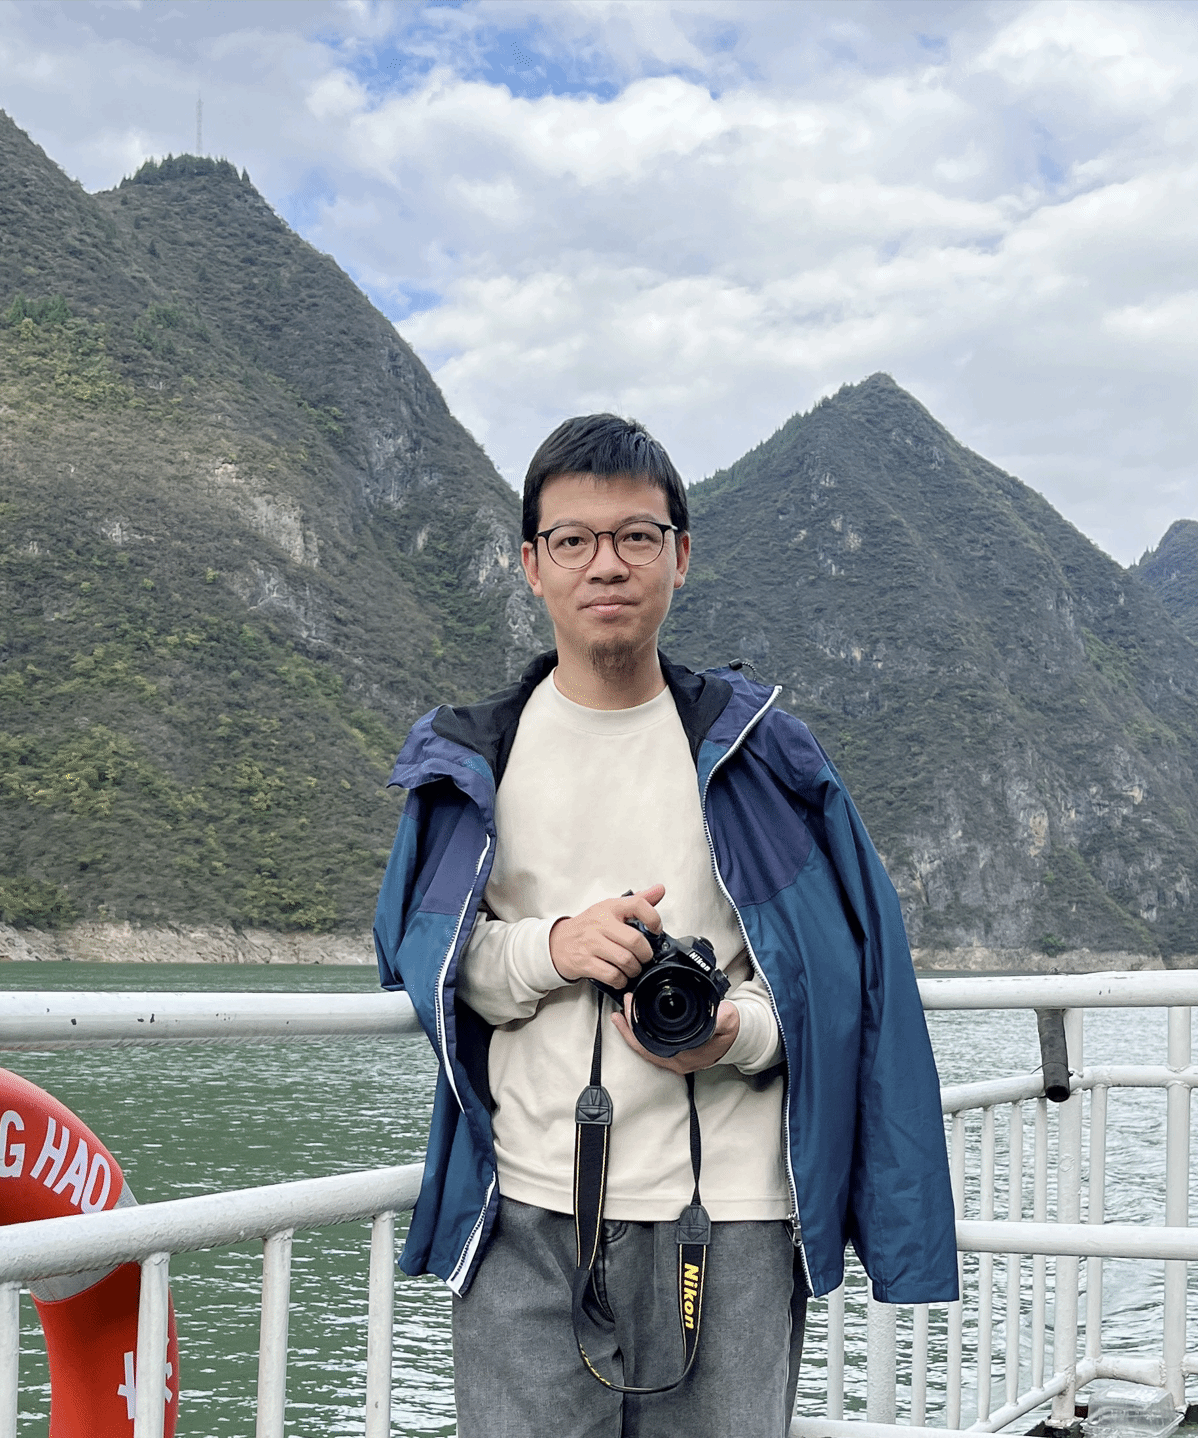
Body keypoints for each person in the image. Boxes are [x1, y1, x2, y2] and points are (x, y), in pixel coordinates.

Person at [373, 414, 958, 1438]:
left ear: (680, 556)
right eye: (573, 539)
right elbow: (428, 962)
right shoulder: (473, 761)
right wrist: (553, 948)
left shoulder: (762, 757)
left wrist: (734, 1033)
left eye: (636, 536)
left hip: (730, 1218)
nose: (606, 564)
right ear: (531, 564)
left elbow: (836, 986)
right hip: (526, 1214)